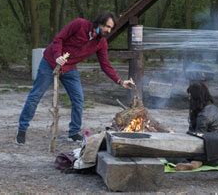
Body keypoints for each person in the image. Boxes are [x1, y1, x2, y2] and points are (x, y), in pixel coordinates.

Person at [16, 12, 135, 144]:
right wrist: (57, 56)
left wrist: (120, 81)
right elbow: (59, 39)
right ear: (100, 22)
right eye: (107, 26)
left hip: (69, 68)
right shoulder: (79, 24)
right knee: (35, 96)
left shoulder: (101, 43)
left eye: (111, 28)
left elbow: (105, 65)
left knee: (78, 99)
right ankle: (22, 129)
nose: (108, 30)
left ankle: (73, 132)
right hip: (50, 62)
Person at [173, 82, 218, 171]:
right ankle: (196, 162)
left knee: (170, 155)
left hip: (210, 157)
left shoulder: (203, 116)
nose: (189, 99)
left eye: (190, 97)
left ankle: (194, 163)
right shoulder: (214, 108)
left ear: (196, 98)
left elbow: (197, 140)